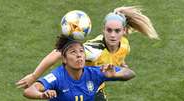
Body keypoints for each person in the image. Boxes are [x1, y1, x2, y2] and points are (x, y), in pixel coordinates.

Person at [17, 6, 159, 100]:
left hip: (95, 88)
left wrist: (120, 69)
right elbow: (58, 53)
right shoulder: (93, 50)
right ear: (103, 30)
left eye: (117, 31)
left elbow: (121, 61)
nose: (113, 35)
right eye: (109, 30)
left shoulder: (125, 46)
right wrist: (34, 75)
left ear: (124, 31)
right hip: (75, 84)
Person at [23, 35, 136, 101]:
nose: (79, 55)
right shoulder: (57, 77)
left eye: (81, 51)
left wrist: (117, 75)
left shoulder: (95, 73)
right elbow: (29, 90)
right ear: (64, 59)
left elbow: (130, 73)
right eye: (73, 52)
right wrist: (41, 95)